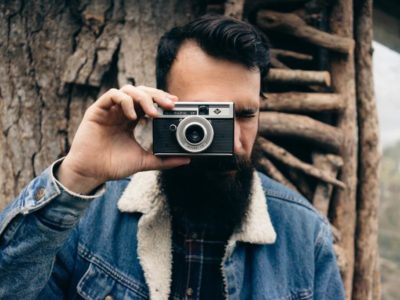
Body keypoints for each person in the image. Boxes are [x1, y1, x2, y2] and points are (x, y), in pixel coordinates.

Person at [0, 15, 345, 299]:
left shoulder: (304, 234)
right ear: (162, 106)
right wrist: (76, 174)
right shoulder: (90, 215)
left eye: (244, 114)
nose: (231, 141)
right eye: (206, 117)